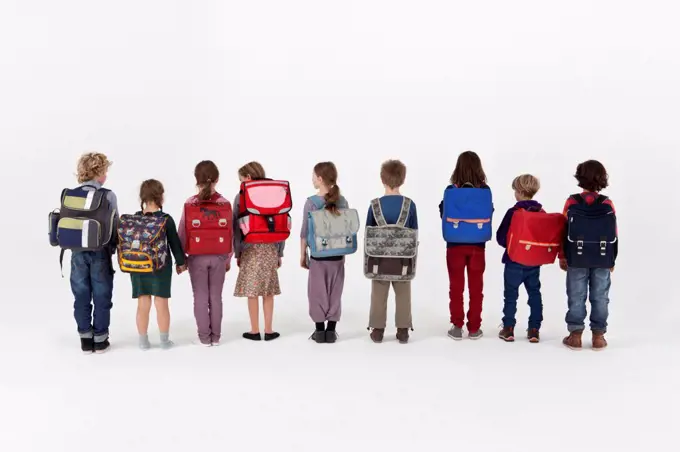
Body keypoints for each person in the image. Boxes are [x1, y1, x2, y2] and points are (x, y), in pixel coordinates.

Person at [559, 160, 617, 350]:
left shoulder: (572, 201)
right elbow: (613, 234)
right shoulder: (607, 203)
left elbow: (563, 230)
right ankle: (598, 336)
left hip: (576, 256)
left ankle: (575, 336)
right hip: (602, 257)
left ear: (579, 178)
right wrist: (612, 259)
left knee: (576, 295)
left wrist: (562, 255)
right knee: (600, 296)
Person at [178, 160, 233, 347]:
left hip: (196, 257)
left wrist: (181, 260)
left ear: (196, 179)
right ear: (217, 179)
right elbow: (230, 233)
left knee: (200, 297)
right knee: (216, 297)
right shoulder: (224, 203)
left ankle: (204, 338)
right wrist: (228, 258)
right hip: (219, 256)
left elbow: (182, 233)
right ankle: (216, 337)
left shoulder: (190, 203)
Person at [69, 152, 119, 354]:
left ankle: (85, 338)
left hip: (77, 253)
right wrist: (114, 248)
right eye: (105, 170)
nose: (106, 174)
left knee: (81, 295)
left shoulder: (70, 194)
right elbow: (115, 225)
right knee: (102, 295)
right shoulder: (107, 195)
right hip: (101, 252)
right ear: (99, 173)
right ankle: (100, 339)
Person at [439, 151, 491, 340]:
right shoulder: (485, 191)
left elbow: (442, 212)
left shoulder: (451, 190)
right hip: (478, 245)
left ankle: (457, 326)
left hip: (454, 245)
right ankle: (475, 328)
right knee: (476, 287)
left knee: (456, 286)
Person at [130, 180, 187, 350]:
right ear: (161, 196)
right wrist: (181, 263)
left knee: (142, 303)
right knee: (161, 303)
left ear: (142, 197)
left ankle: (143, 342)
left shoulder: (135, 218)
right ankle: (164, 342)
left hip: (139, 266)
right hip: (161, 267)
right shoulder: (165, 219)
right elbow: (175, 244)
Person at [367, 159, 418, 344]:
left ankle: (378, 330)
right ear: (402, 180)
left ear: (382, 180)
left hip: (379, 260)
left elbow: (369, 233)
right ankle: (403, 330)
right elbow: (414, 232)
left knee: (379, 293)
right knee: (403, 292)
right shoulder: (409, 205)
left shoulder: (374, 205)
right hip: (403, 260)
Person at [233, 161, 285, 341]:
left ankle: (254, 331)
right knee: (268, 290)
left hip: (250, 248)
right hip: (270, 247)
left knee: (252, 291)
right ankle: (269, 331)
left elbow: (236, 227)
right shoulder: (276, 193)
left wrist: (237, 252)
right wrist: (279, 252)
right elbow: (280, 223)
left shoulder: (241, 196)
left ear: (247, 178)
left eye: (241, 180)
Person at [300, 162, 349, 344]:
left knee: (317, 293)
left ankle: (319, 332)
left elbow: (304, 232)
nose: (312, 179)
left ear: (320, 179)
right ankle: (331, 331)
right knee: (335, 292)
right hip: (338, 255)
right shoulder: (342, 201)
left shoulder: (311, 202)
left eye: (313, 176)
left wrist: (302, 255)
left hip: (318, 256)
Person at [495, 174, 544, 342]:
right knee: (535, 294)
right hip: (534, 263)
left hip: (513, 262)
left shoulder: (513, 212)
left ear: (519, 192)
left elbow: (501, 237)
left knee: (510, 295)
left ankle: (508, 329)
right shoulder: (541, 212)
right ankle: (534, 330)